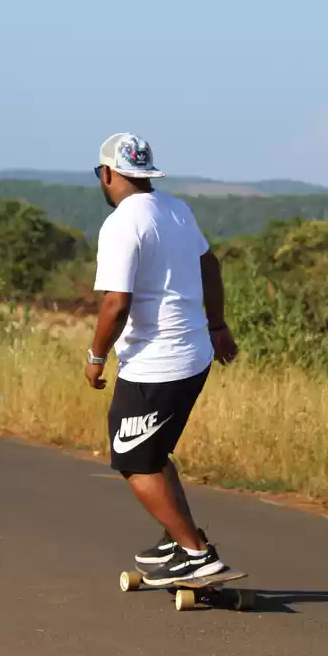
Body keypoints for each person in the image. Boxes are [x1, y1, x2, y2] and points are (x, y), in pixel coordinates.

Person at [84, 132, 238, 587]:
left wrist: (96, 355)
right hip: (195, 353)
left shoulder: (120, 224)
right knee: (153, 450)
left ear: (109, 174)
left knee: (134, 460)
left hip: (156, 363)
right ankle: (179, 540)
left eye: (100, 173)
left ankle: (196, 554)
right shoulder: (175, 209)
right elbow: (210, 266)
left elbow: (116, 302)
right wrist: (217, 325)